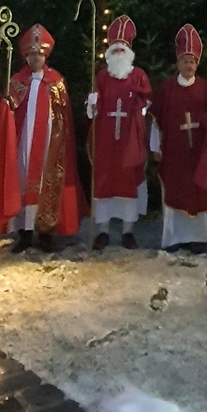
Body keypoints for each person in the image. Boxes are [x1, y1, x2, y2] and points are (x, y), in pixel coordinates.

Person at [5, 24, 87, 253]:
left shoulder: (56, 81)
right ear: (26, 56)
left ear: (46, 56)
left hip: (50, 142)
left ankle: (45, 233)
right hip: (24, 141)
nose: (36, 59)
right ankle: (24, 232)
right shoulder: (17, 81)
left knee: (46, 183)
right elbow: (8, 111)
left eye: (40, 55)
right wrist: (0, 104)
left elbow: (63, 115)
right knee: (23, 181)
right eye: (32, 54)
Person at [149, 24, 207, 254]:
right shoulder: (167, 90)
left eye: (192, 61)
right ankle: (174, 238)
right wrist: (155, 146)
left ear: (197, 64)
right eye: (185, 61)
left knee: (199, 192)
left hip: (199, 153)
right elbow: (156, 121)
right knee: (175, 191)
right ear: (178, 63)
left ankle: (200, 238)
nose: (189, 65)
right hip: (174, 153)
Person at [86, 14, 152, 250]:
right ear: (109, 52)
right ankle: (103, 231)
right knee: (104, 183)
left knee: (127, 183)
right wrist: (92, 103)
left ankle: (127, 231)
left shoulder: (138, 75)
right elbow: (93, 108)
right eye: (115, 49)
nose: (119, 53)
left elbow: (147, 100)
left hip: (129, 139)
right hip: (106, 140)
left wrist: (141, 108)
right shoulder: (102, 76)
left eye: (123, 49)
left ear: (129, 51)